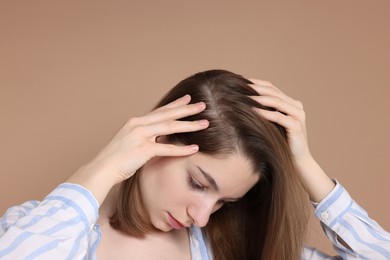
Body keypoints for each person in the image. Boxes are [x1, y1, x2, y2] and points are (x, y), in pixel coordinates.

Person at [0, 70, 389, 259]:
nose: (202, 216)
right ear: (156, 141)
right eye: (200, 184)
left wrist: (305, 167)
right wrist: (100, 169)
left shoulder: (232, 252)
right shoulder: (56, 235)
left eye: (224, 202)